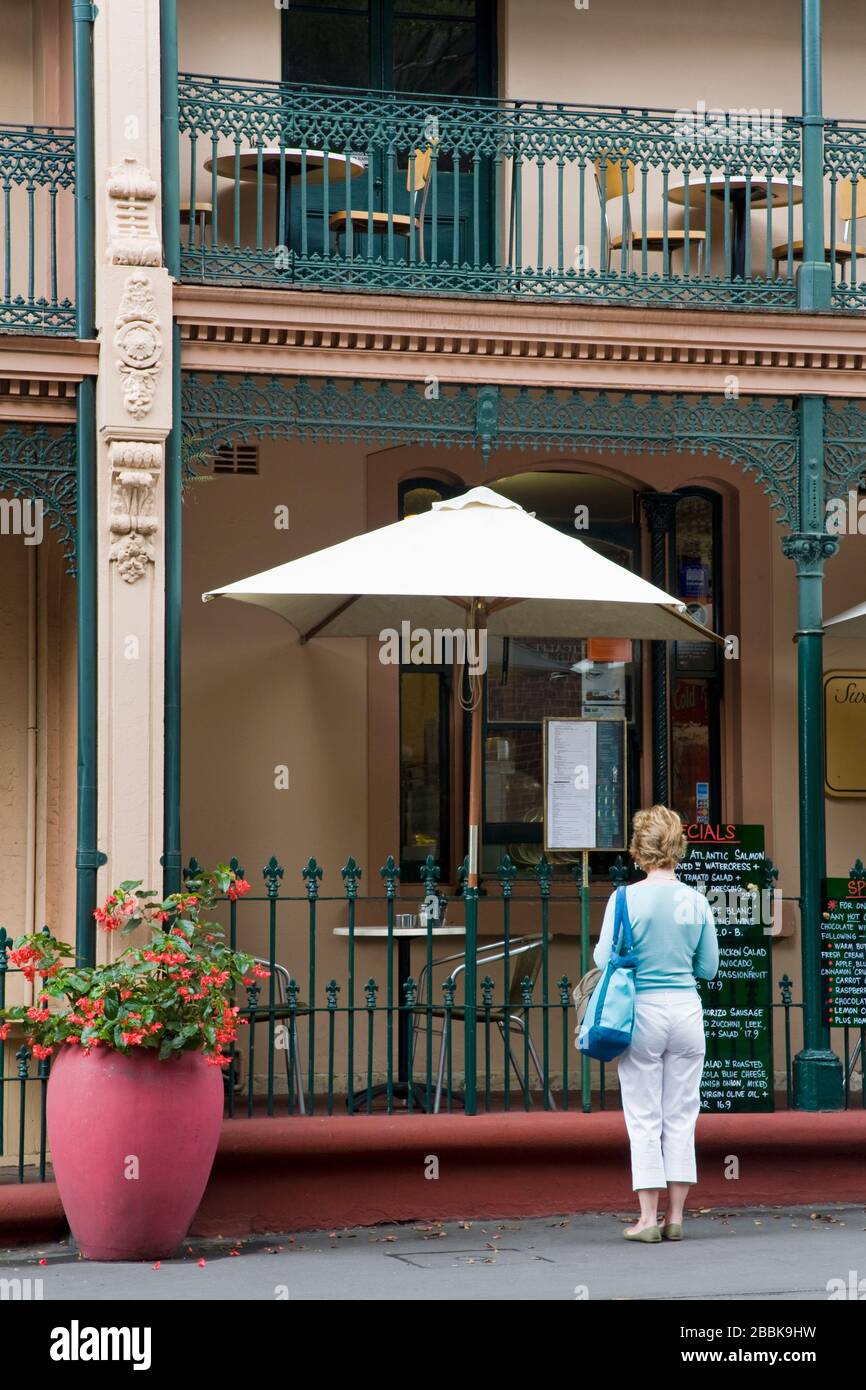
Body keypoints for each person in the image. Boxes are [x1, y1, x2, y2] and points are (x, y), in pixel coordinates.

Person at [594, 805, 719, 1243]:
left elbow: (602, 959)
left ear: (638, 851)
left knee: (644, 1114)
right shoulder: (697, 901)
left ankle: (647, 1218)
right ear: (678, 848)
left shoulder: (624, 899)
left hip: (642, 1010)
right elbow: (708, 967)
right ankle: (677, 1216)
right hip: (685, 1009)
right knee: (682, 1113)